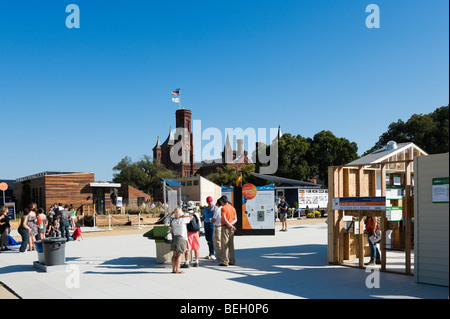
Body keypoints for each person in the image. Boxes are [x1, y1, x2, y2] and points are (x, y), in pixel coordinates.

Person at [167, 207, 193, 274]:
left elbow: (168, 216)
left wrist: (173, 212)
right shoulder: (183, 220)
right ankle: (177, 269)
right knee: (179, 255)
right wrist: (183, 215)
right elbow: (191, 216)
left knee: (174, 255)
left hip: (174, 237)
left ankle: (173, 269)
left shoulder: (172, 220)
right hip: (181, 238)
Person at [181, 201, 201, 268]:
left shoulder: (186, 214)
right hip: (196, 232)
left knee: (187, 248)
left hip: (188, 232)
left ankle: (187, 262)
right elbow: (199, 224)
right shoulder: (196, 214)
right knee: (196, 248)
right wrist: (199, 231)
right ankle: (196, 261)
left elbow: (184, 224)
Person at [219, 195, 237, 266]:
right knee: (231, 244)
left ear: (222, 202)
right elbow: (235, 219)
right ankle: (232, 260)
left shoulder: (223, 208)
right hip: (231, 227)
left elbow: (224, 219)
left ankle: (225, 261)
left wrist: (228, 225)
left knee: (224, 245)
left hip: (225, 227)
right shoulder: (233, 208)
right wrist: (231, 225)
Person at [201, 196, 217, 260]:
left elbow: (216, 217)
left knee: (211, 239)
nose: (209, 203)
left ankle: (213, 253)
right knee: (207, 239)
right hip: (206, 224)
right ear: (207, 202)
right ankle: (210, 253)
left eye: (210, 201)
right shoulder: (205, 209)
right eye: (208, 202)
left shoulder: (215, 208)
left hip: (211, 224)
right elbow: (203, 217)